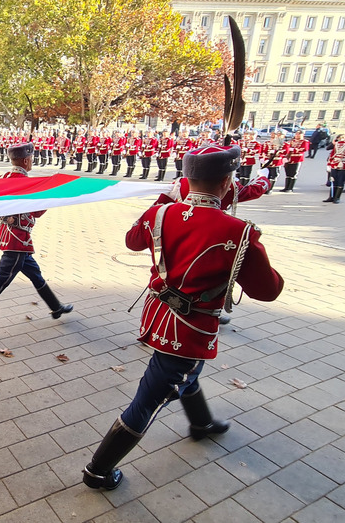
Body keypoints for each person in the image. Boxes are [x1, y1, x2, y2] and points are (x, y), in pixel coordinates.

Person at [82, 144, 284, 491]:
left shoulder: (162, 213)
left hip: (159, 316)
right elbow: (268, 290)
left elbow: (132, 241)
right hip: (190, 331)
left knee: (184, 377)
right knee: (150, 398)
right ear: (226, 182)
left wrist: (164, 200)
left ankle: (201, 423)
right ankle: (97, 472)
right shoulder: (239, 231)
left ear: (186, 179)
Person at [0, 143, 73, 344]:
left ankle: (56, 307)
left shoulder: (2, 179)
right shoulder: (28, 183)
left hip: (10, 237)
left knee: (35, 275)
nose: (32, 161)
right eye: (32, 158)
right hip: (16, 242)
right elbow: (36, 212)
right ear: (26, 160)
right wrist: (51, 197)